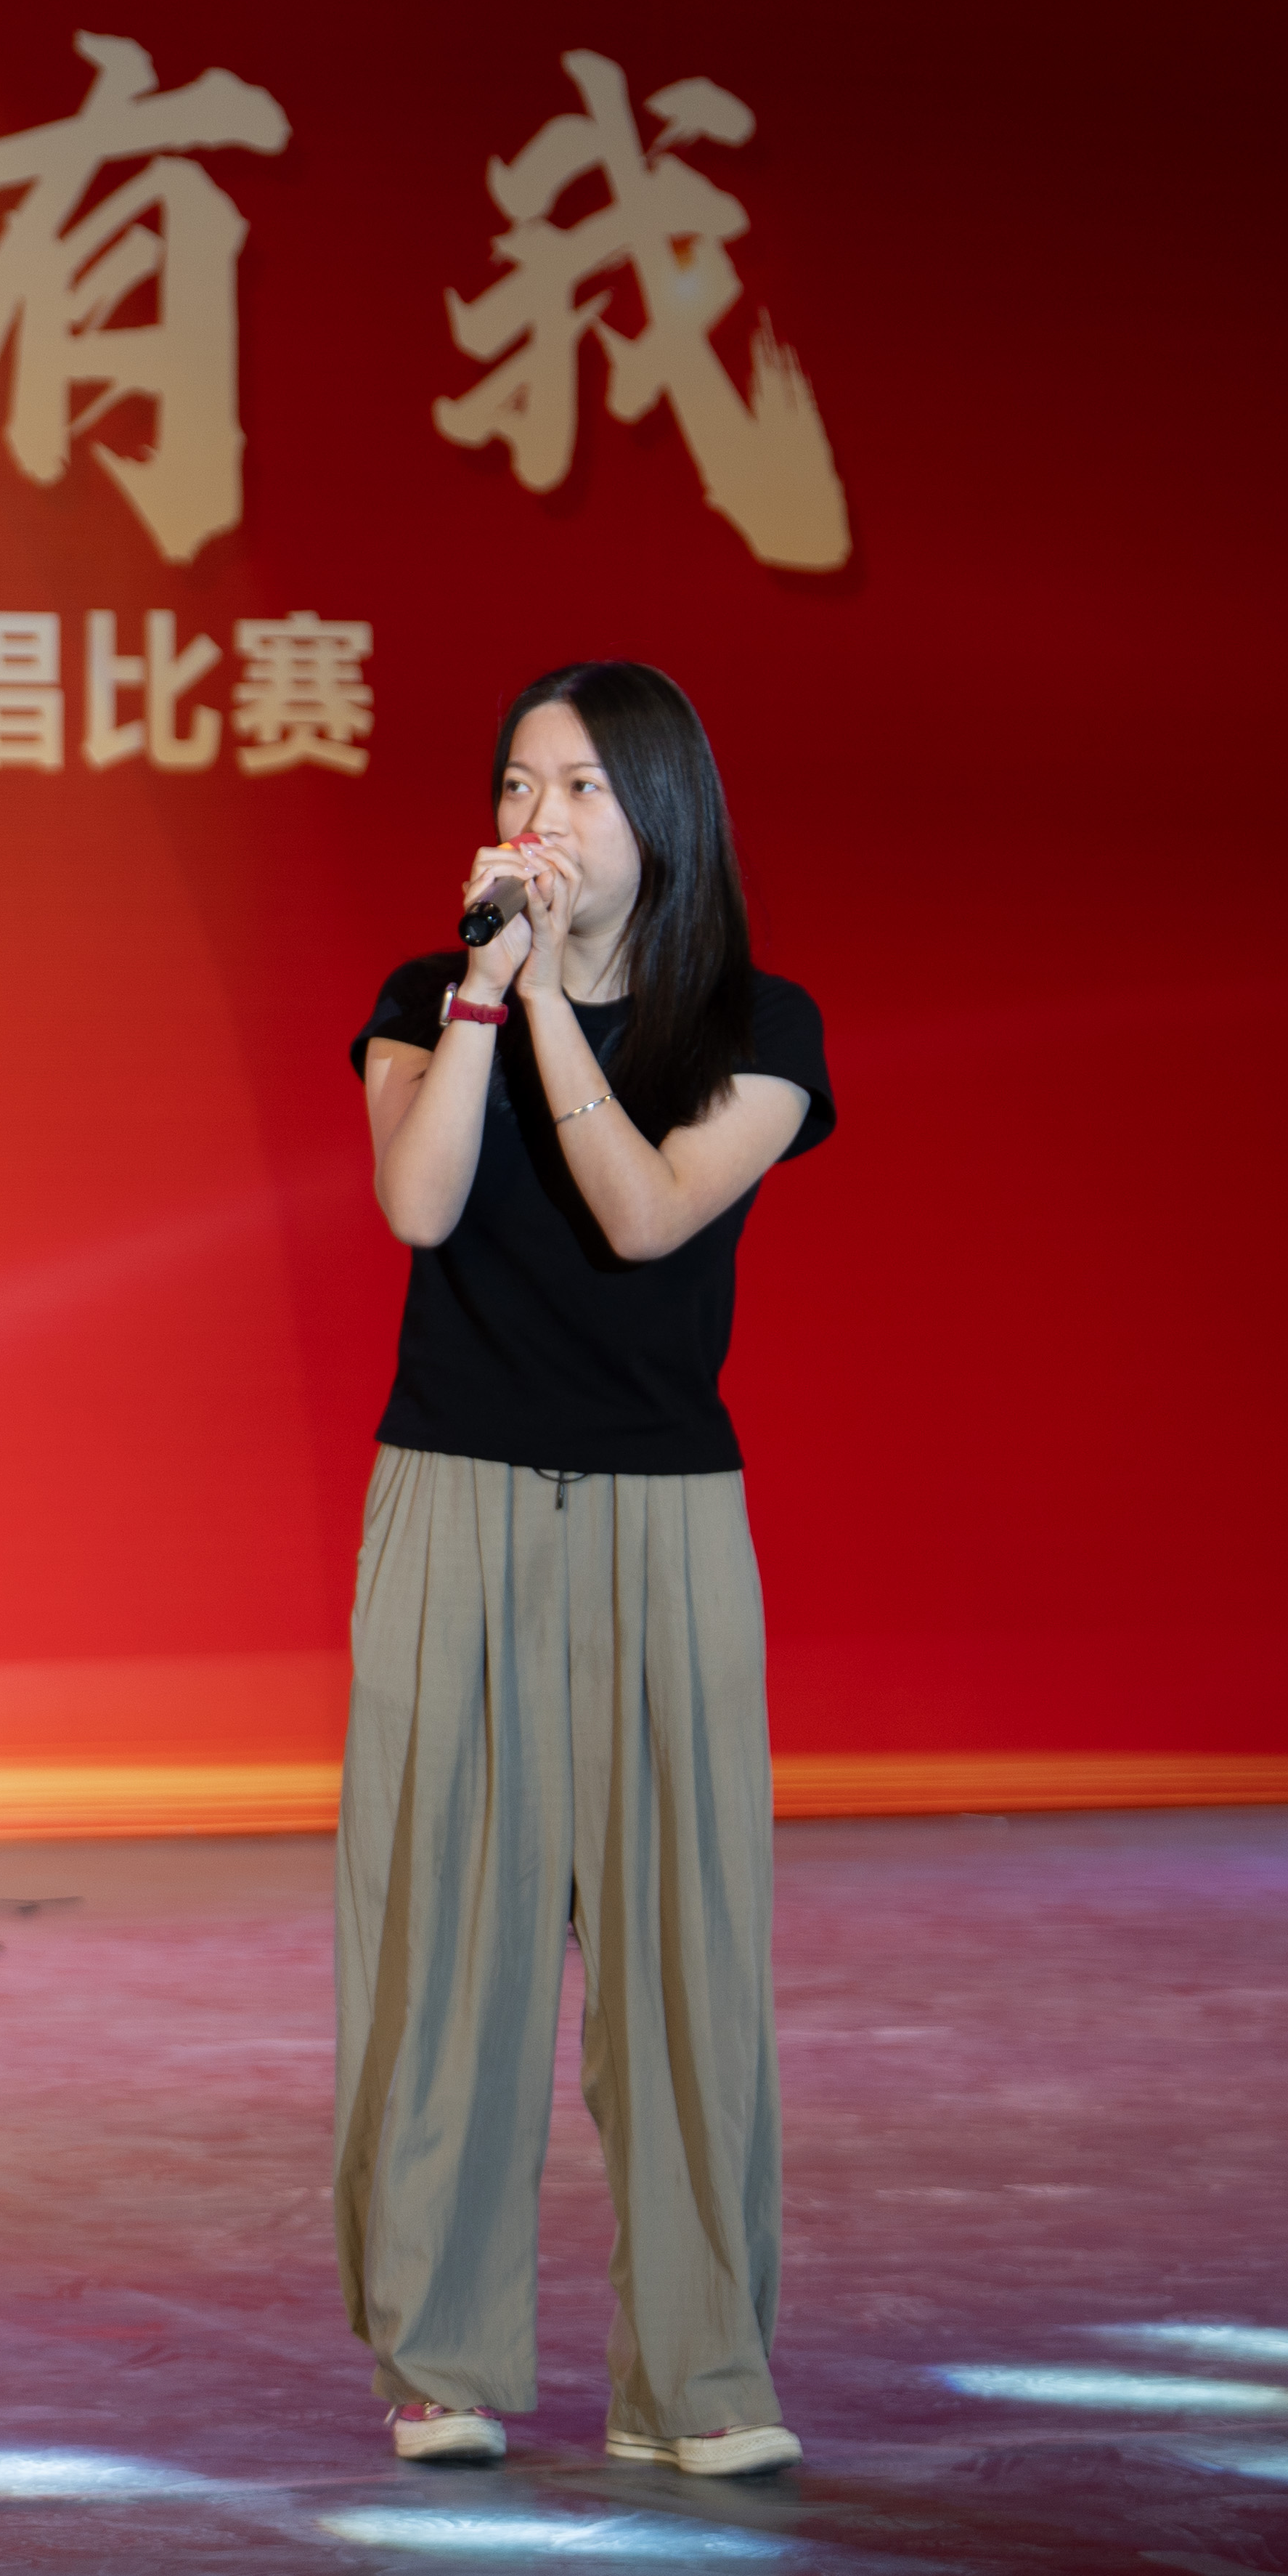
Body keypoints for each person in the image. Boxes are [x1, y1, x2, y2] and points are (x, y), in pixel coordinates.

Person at [332, 660, 833, 2480]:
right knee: (441, 1948)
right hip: (450, 1501)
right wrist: (486, 988)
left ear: (662, 816)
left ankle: (697, 2378)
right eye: (516, 786)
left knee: (683, 1954)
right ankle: (439, 2361)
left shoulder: (756, 1025)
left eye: (581, 789)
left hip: (662, 1518)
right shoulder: (424, 997)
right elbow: (418, 1202)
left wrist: (551, 1004)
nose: (537, 820)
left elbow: (641, 1213)